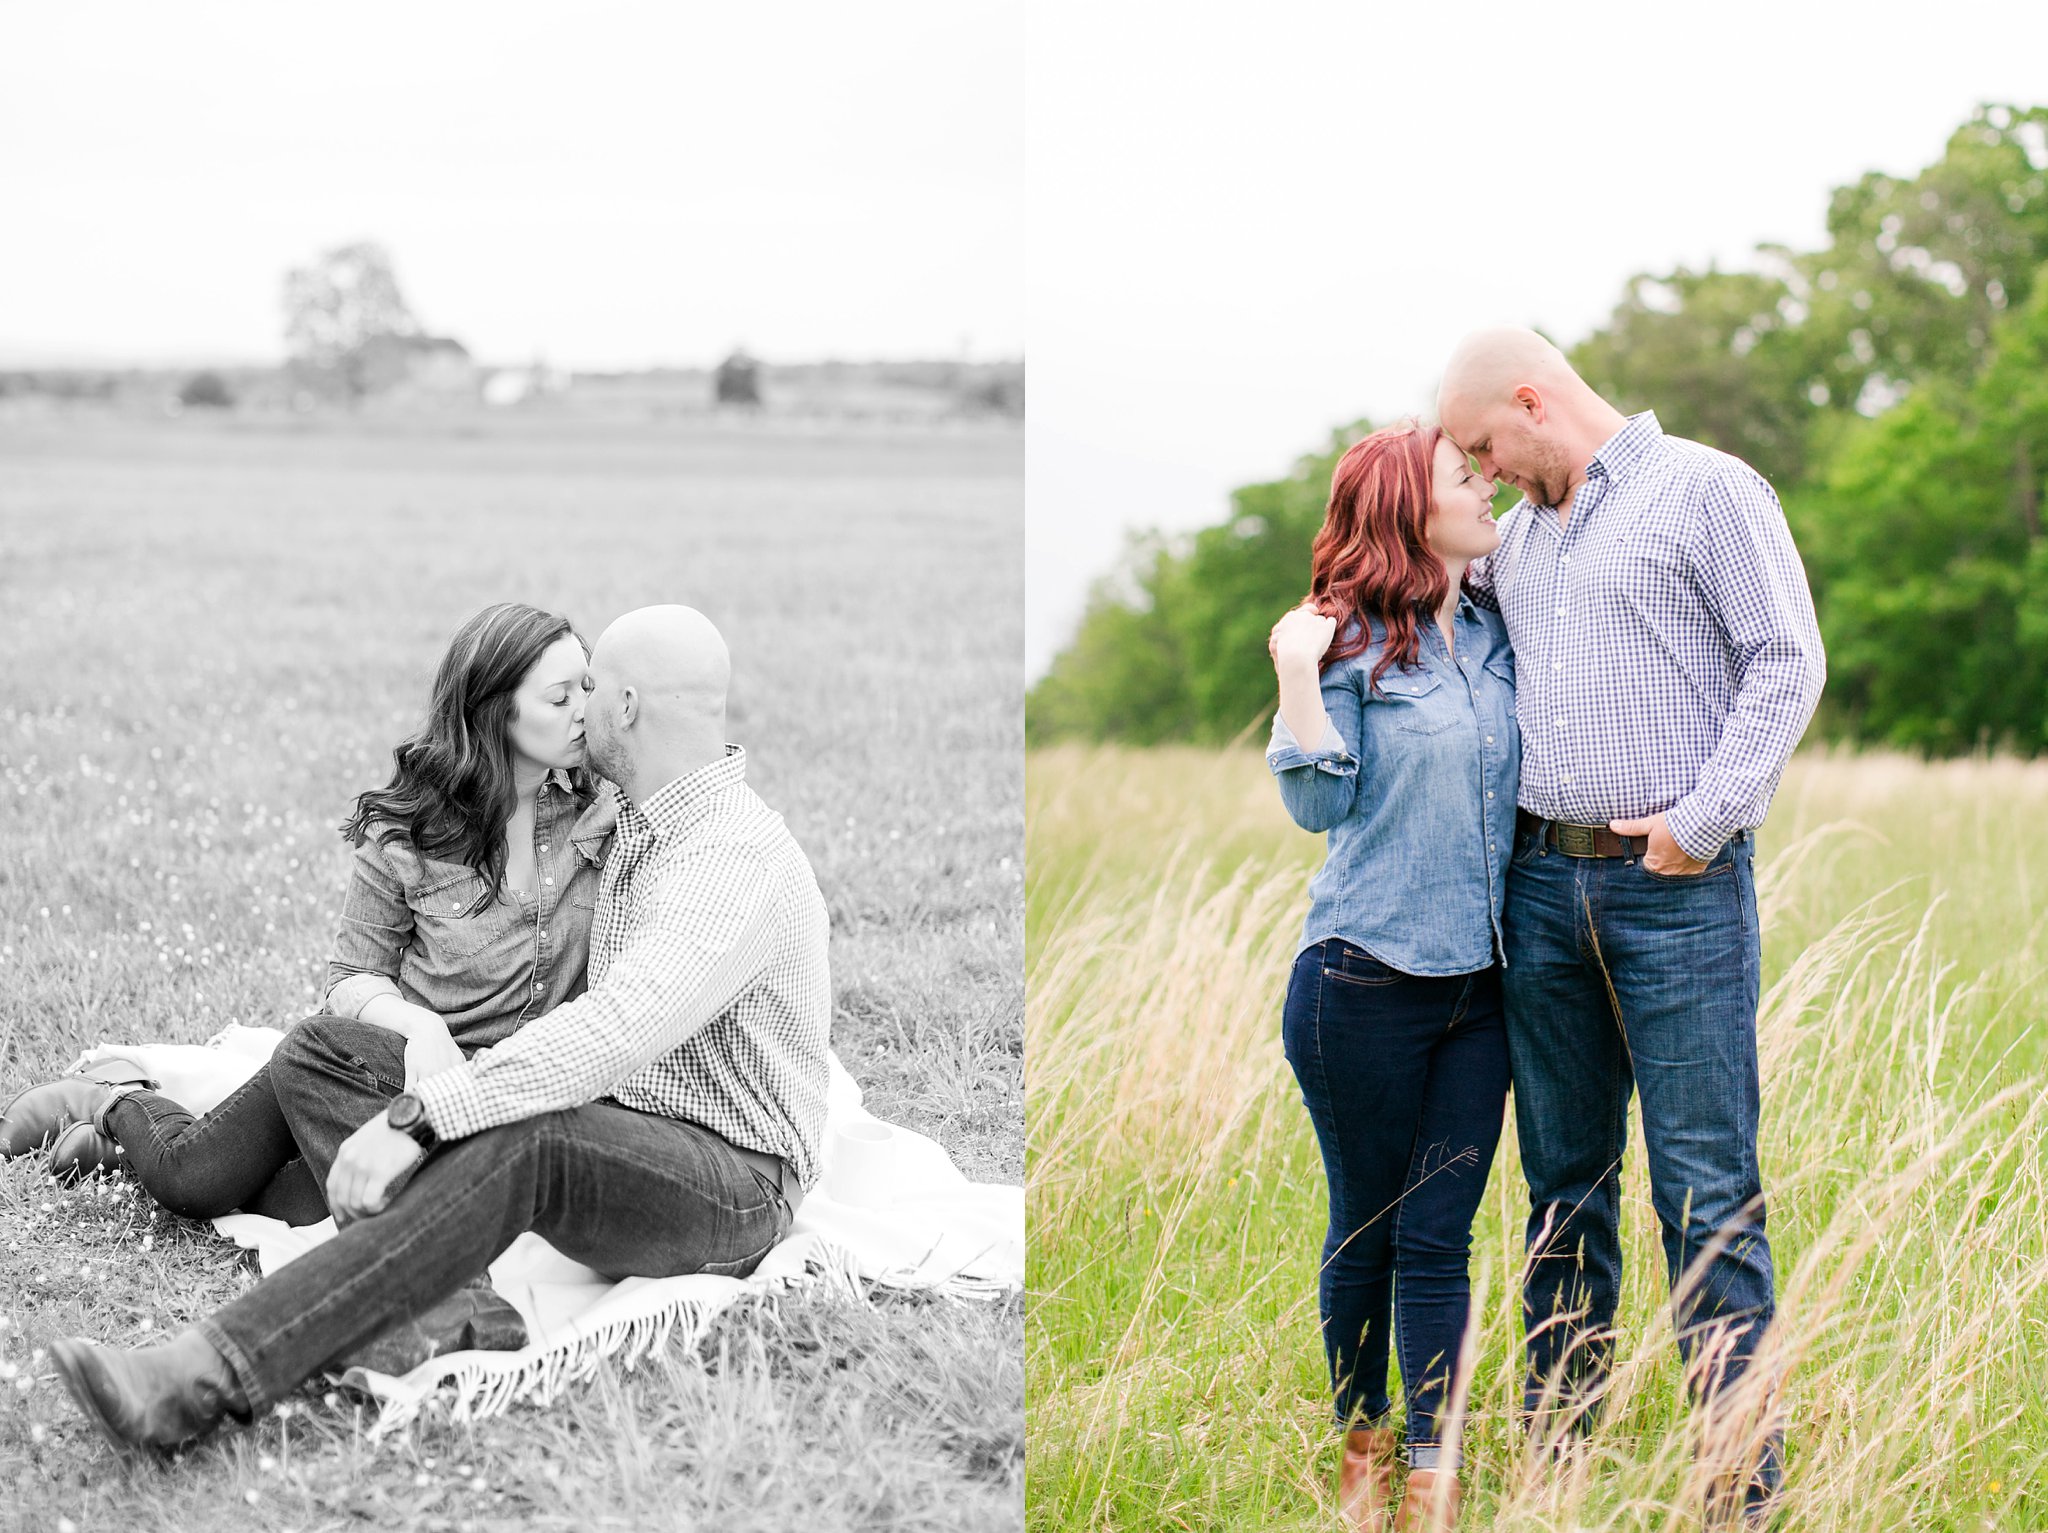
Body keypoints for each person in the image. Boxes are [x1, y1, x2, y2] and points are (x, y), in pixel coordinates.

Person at [47, 604, 832, 1460]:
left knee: (532, 1135)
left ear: (629, 707)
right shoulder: (645, 816)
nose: (580, 704)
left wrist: (422, 1116)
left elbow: (613, 1029)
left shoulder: (726, 859)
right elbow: (375, 972)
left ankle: (197, 1377)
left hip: (733, 1179)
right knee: (318, 1048)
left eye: (592, 685)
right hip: (628, 1123)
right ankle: (453, 1307)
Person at [1437, 328, 1825, 1521]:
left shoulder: (1707, 490)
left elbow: (1785, 659)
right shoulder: (1518, 541)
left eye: (1482, 446)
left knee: (1704, 1193)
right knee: (1561, 1187)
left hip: (1676, 892)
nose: (1482, 472)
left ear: (1529, 401)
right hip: (1538, 892)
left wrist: (1699, 824)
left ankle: (1736, 1494)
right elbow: (1424, 584)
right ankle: (1557, 1468)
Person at [1, 603, 613, 1249]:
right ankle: (116, 1097)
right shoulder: (407, 833)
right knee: (196, 1182)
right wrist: (421, 1026)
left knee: (304, 1202)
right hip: (372, 1071)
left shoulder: (604, 815)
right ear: (495, 709)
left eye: (588, 688)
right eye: (559, 697)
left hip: (503, 1095)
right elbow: (353, 975)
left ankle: (116, 1156)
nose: (584, 711)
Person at [1265, 420, 1518, 1532]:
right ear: (1407, 512)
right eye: (1463, 479)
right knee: (1367, 1227)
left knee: (1438, 1237)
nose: (1484, 487)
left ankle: (1432, 1478)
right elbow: (1316, 804)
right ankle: (1361, 1465)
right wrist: (1291, 669)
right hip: (1360, 985)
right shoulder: (1344, 643)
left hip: (1483, 992)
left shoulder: (1503, 633)